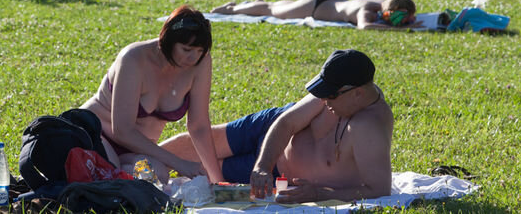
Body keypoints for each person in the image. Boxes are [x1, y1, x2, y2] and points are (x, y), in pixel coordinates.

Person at [160, 49, 393, 203]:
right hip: (270, 134)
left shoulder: (368, 126)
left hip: (277, 178)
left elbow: (379, 190)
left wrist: (318, 194)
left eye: (330, 96)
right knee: (201, 143)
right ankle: (128, 155)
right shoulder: (337, 89)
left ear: (358, 93)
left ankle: (135, 170)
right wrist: (262, 165)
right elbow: (287, 122)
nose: (326, 102)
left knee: (198, 170)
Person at [80, 5, 224, 183]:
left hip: (135, 151)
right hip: (96, 135)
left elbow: (199, 126)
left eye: (200, 51)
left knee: (155, 176)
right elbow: (122, 131)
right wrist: (179, 163)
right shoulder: (134, 58)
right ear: (168, 41)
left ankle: (119, 173)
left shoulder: (200, 63)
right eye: (186, 50)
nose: (193, 58)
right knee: (110, 176)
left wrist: (218, 181)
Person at [211, 0, 420, 30]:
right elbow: (365, 27)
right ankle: (231, 9)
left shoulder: (383, 4)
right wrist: (402, 30)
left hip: (329, 1)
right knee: (272, 10)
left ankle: (253, 4)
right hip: (316, 7)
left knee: (280, 6)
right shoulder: (366, 10)